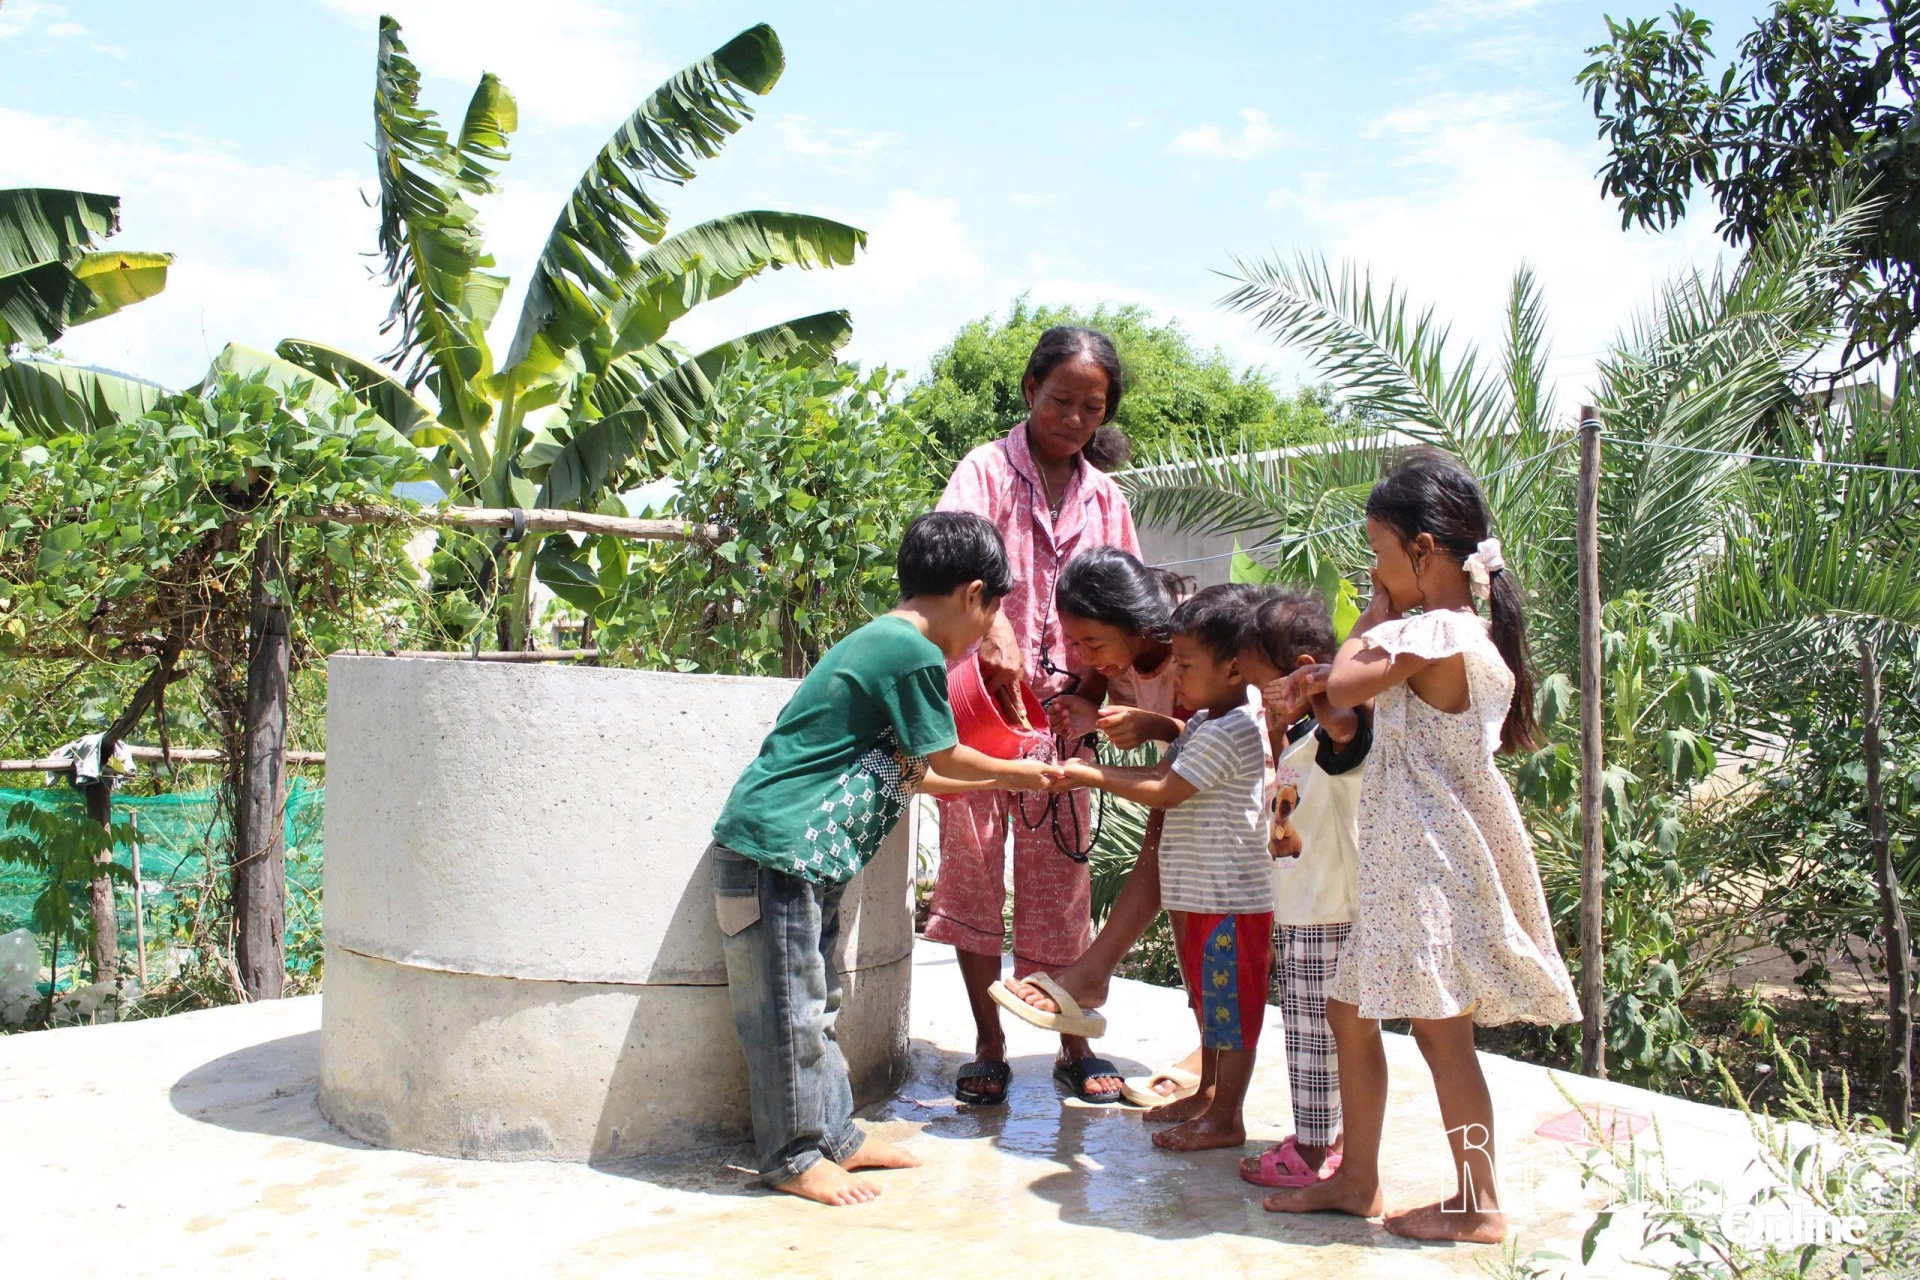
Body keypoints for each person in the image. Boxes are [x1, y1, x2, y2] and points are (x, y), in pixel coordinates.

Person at [1264, 448, 1579, 1243]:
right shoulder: (1461, 629)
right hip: (1419, 854)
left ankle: (1478, 1204)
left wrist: (1371, 612)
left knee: (1444, 1036)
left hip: (1430, 857)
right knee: (1349, 1007)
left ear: (1424, 552)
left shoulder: (1436, 629)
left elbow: (1342, 683)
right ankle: (1360, 1179)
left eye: (1378, 553)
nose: (1373, 570)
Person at [708, 512, 1065, 1207]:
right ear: (973, 596)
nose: (983, 636)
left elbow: (918, 774)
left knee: (819, 999)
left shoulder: (889, 645)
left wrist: (1004, 778)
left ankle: (836, 1136)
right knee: (789, 1013)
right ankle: (790, 1157)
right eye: (993, 612)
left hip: (806, 856)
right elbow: (941, 757)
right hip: (776, 852)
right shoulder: (911, 651)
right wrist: (1023, 770)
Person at [927, 326, 1142, 1106]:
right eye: (1062, 401)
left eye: (1093, 407)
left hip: (1063, 720)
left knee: (1063, 881)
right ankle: (988, 1041)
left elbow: (1124, 603)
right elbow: (953, 563)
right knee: (975, 870)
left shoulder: (1106, 499)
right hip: (980, 713)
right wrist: (997, 629)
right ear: (1029, 390)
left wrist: (1094, 688)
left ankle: (1073, 1043)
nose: (1075, 419)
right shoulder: (984, 470)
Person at [1052, 585, 1273, 1151]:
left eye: (1187, 664)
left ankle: (1227, 1115)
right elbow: (1168, 758)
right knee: (1205, 999)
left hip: (1229, 901)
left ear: (1233, 669)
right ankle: (1207, 1097)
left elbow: (1164, 787)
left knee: (1229, 1013)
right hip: (1197, 896)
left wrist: (1090, 775)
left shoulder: (1236, 727)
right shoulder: (1205, 721)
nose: (1175, 676)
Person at [1232, 588, 1371, 1191]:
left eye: (1266, 681)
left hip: (1326, 910)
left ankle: (1313, 1153)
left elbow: (1343, 730)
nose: (1259, 697)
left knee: (1315, 1041)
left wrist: (1320, 692)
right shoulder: (1296, 739)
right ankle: (1325, 1138)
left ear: (1309, 668)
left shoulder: (1341, 732)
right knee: (1313, 1038)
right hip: (1305, 907)